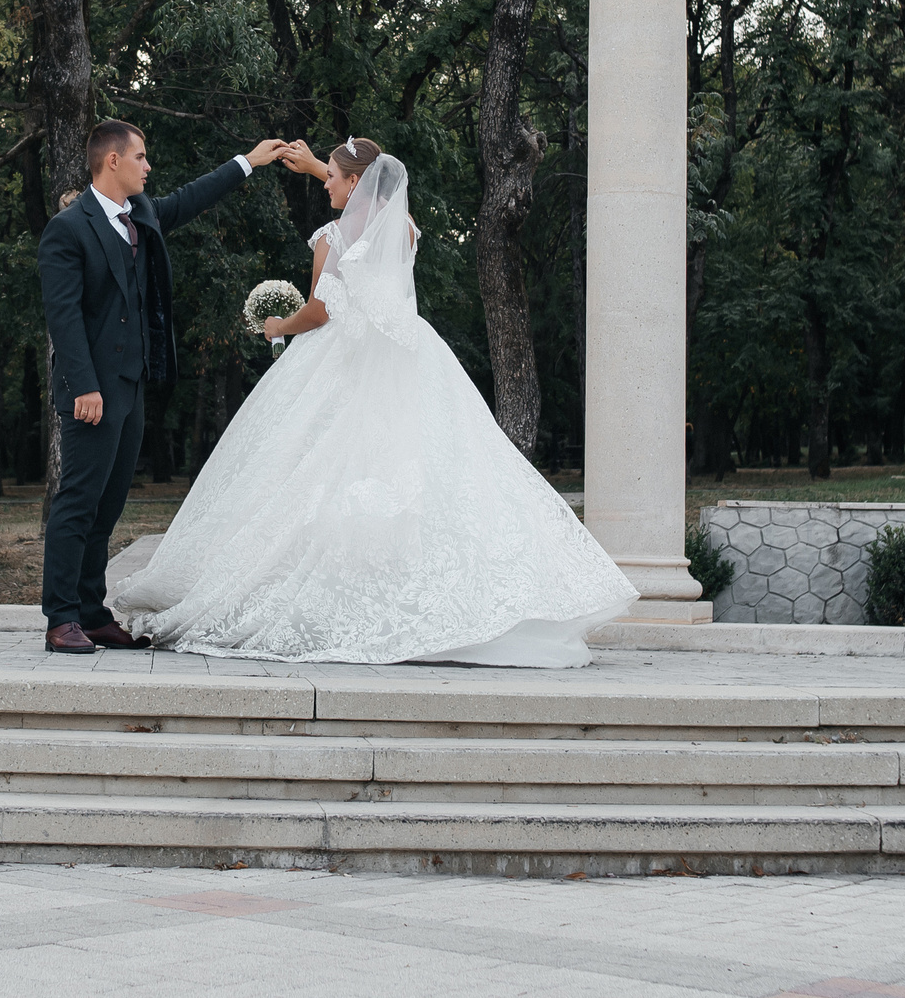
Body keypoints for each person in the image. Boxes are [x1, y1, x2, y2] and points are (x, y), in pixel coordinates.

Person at [113, 139, 636, 668]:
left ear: (356, 184)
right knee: (431, 471)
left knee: (308, 469)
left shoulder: (334, 237)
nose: (325, 185)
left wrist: (277, 325)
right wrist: (326, 166)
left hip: (344, 359)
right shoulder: (402, 229)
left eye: (333, 179)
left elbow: (319, 312)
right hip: (408, 357)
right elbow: (372, 200)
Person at [37, 121, 291, 655]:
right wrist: (84, 385)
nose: (148, 166)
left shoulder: (142, 215)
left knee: (107, 507)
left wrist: (247, 161)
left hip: (131, 385)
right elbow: (63, 318)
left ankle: (90, 610)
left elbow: (190, 199)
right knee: (78, 502)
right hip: (91, 392)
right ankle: (60, 618)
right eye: (141, 156)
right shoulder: (69, 228)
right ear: (112, 162)